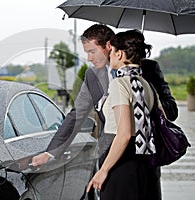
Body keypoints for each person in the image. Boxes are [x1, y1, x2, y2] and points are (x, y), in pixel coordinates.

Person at [32, 24, 177, 199]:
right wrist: (50, 153)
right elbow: (76, 116)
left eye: (92, 51)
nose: (89, 58)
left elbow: (172, 111)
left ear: (109, 46)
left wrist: (142, 100)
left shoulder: (147, 70)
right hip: (111, 158)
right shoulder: (92, 76)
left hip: (146, 159)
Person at [86, 29, 163, 199]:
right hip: (145, 164)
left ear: (120, 54)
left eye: (112, 50)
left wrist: (103, 170)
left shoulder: (119, 84)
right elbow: (159, 119)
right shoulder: (147, 84)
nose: (110, 55)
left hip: (120, 163)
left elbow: (125, 134)